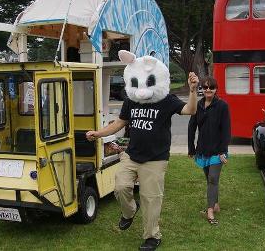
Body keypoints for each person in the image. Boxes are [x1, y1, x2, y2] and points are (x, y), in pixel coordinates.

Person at [87, 50, 199, 251]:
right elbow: (119, 123)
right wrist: (99, 133)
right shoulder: (132, 101)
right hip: (132, 155)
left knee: (151, 199)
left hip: (156, 159)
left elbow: (190, 110)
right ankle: (129, 211)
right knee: (120, 187)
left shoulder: (167, 100)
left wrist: (193, 90)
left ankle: (152, 237)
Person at [188, 76, 231, 226]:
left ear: (216, 89)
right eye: (205, 87)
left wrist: (222, 151)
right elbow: (191, 127)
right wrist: (191, 148)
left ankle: (210, 210)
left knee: (213, 178)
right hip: (203, 149)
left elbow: (226, 130)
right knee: (210, 179)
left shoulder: (222, 106)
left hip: (217, 151)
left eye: (211, 87)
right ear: (202, 89)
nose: (208, 90)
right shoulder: (198, 105)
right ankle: (216, 204)